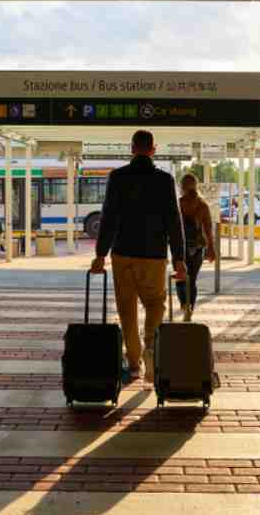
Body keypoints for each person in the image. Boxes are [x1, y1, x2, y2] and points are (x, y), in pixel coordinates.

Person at [90, 130, 186, 381]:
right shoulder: (165, 180)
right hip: (154, 255)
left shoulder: (117, 177)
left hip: (122, 254)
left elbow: (108, 217)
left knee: (126, 309)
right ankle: (151, 349)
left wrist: (100, 255)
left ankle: (133, 360)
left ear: (132, 149)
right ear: (153, 150)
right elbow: (173, 222)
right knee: (155, 304)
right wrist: (179, 259)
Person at [176, 173, 216, 322]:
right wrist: (211, 248)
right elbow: (208, 229)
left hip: (180, 248)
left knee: (180, 278)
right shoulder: (202, 205)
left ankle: (184, 304)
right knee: (191, 280)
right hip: (198, 248)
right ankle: (190, 308)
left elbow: (171, 228)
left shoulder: (178, 204)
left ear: (182, 187)